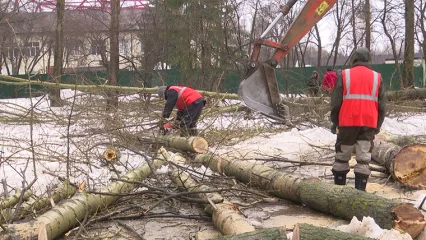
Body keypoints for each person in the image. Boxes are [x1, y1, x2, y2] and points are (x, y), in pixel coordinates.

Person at [330, 47, 386, 191]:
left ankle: (339, 192)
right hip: (368, 122)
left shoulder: (344, 75)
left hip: (347, 121)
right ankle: (360, 193)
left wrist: (335, 122)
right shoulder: (377, 77)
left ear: (353, 58)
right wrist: (377, 125)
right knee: (363, 159)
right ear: (369, 59)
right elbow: (382, 106)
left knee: (342, 157)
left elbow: (336, 102)